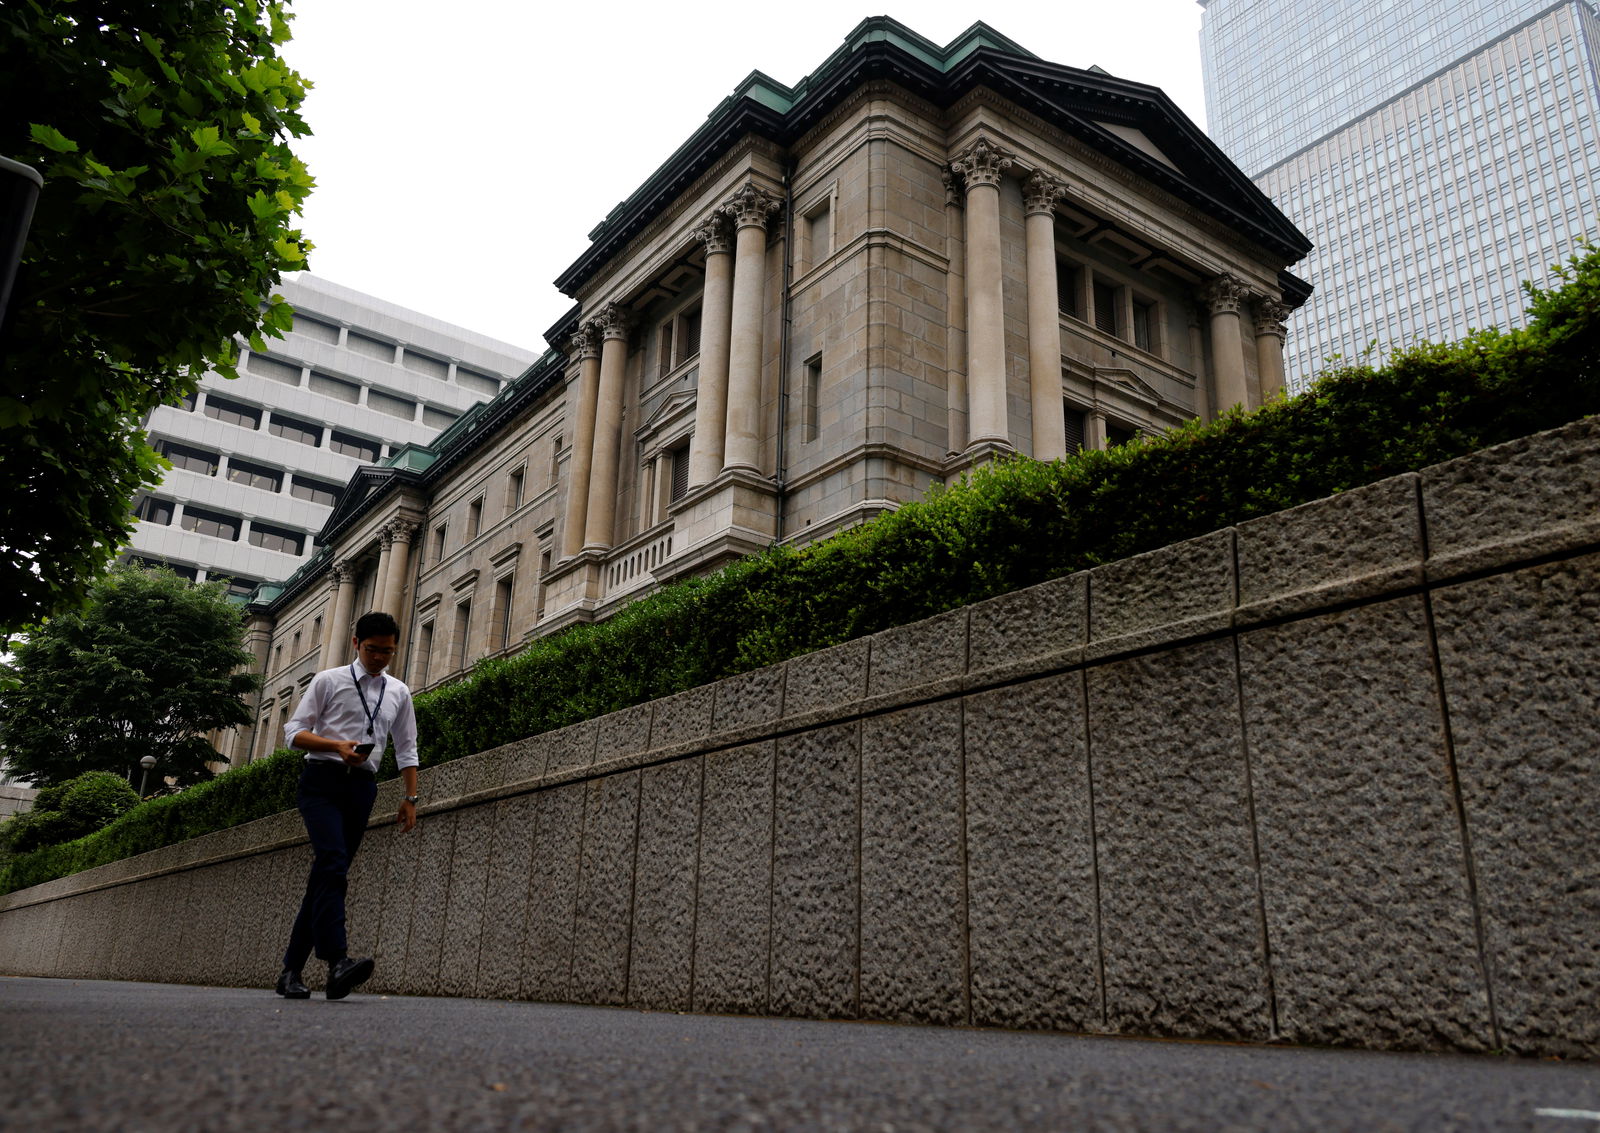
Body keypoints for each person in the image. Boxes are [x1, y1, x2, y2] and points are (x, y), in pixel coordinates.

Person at [274, 610, 420, 1000]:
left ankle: (290, 971)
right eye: (372, 650)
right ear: (356, 644)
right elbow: (293, 734)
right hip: (321, 782)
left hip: (362, 788)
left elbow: (407, 749)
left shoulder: (399, 692)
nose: (379, 658)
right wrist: (335, 745)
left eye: (387, 652)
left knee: (327, 875)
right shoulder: (329, 681)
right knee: (333, 864)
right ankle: (338, 960)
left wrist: (409, 798)